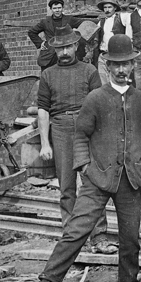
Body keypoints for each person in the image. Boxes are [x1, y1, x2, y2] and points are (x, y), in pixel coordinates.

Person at [23, 35, 141, 282]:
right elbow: (80, 135)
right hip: (98, 177)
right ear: (108, 67)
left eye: (126, 64)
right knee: (76, 230)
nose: (122, 70)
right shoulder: (95, 99)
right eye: (116, 65)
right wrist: (85, 166)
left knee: (130, 238)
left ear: (133, 66)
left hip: (131, 179)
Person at [35, 26, 116, 255]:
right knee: (66, 186)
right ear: (55, 50)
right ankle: (71, 240)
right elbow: (43, 110)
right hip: (60, 128)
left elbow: (100, 105)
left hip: (86, 128)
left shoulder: (89, 70)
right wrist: (45, 143)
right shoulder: (48, 75)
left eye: (68, 47)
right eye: (59, 48)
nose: (64, 52)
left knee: (94, 183)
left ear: (75, 46)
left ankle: (99, 237)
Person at [27, 0, 85, 70]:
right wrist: (40, 43)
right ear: (51, 9)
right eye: (54, 8)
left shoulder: (69, 19)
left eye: (59, 8)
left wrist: (98, 21)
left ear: (62, 8)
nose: (57, 10)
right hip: (49, 55)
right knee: (47, 74)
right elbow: (31, 32)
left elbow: (83, 22)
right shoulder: (45, 22)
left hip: (64, 53)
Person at [94, 0, 130, 85]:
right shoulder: (101, 22)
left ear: (115, 8)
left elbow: (130, 18)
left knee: (117, 80)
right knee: (103, 81)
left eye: (109, 7)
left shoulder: (121, 18)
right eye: (105, 7)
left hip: (117, 55)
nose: (107, 10)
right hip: (103, 55)